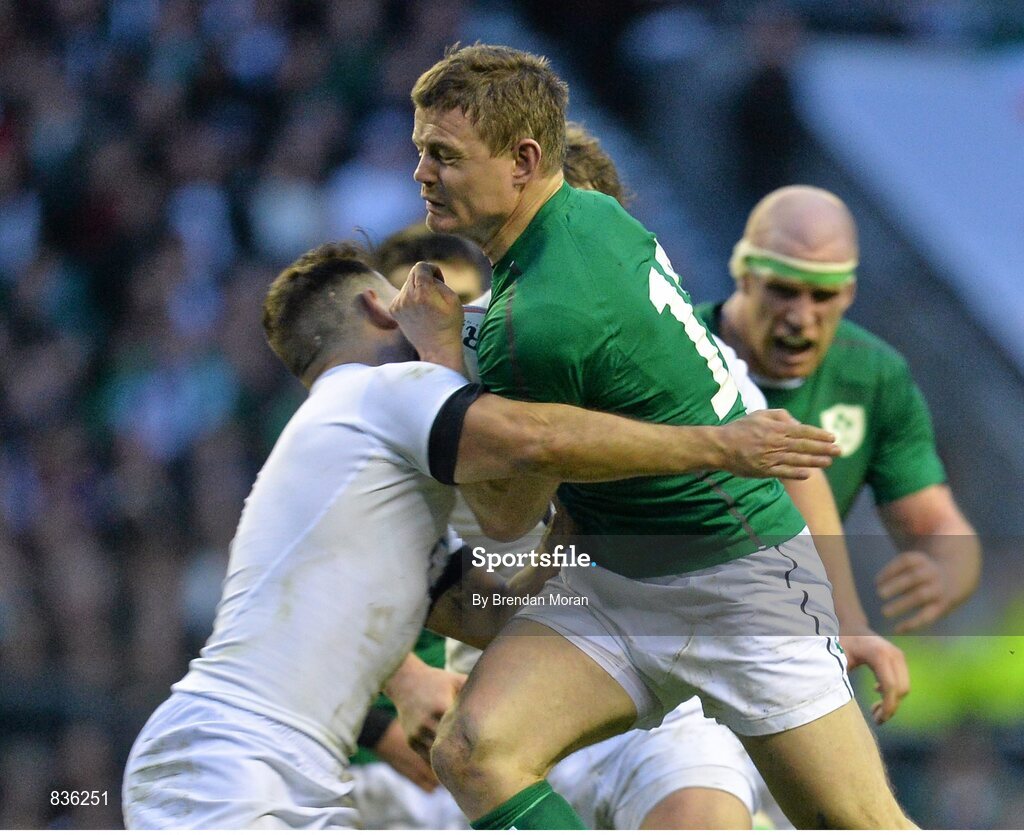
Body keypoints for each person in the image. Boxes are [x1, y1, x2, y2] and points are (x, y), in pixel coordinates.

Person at [121, 242, 838, 828]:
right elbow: (536, 437)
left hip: (275, 774)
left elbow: (492, 616)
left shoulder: (366, 470)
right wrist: (716, 446)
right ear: (381, 305)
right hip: (228, 765)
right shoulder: (377, 392)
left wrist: (569, 530)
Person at [407, 43, 916, 829]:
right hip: (618, 576)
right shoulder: (598, 217)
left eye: (443, 155)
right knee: (475, 748)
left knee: (858, 823)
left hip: (736, 582)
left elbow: (506, 511)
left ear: (524, 160)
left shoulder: (535, 322)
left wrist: (440, 356)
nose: (423, 175)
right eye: (420, 152)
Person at [700, 185, 981, 634]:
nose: (800, 316)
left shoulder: (874, 378)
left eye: (822, 296)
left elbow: (937, 524)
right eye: (783, 291)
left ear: (848, 293)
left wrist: (945, 571)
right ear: (745, 276)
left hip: (785, 626)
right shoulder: (677, 349)